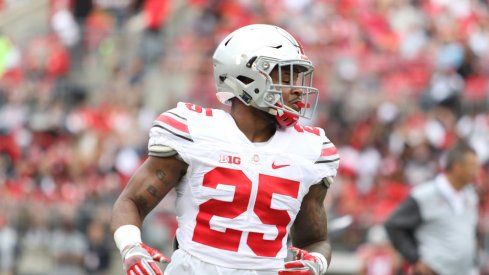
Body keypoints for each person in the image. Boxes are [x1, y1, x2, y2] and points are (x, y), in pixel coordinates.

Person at [111, 24, 340, 275]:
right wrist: (131, 248)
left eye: (297, 77)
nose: (297, 88)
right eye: (285, 76)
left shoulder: (310, 149)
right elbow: (131, 201)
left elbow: (315, 241)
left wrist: (315, 262)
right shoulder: (195, 131)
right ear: (244, 77)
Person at [384, 142, 480, 275]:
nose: (476, 172)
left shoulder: (471, 196)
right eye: (472, 166)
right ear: (457, 167)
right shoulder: (425, 195)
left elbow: (469, 233)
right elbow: (393, 225)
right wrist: (415, 258)